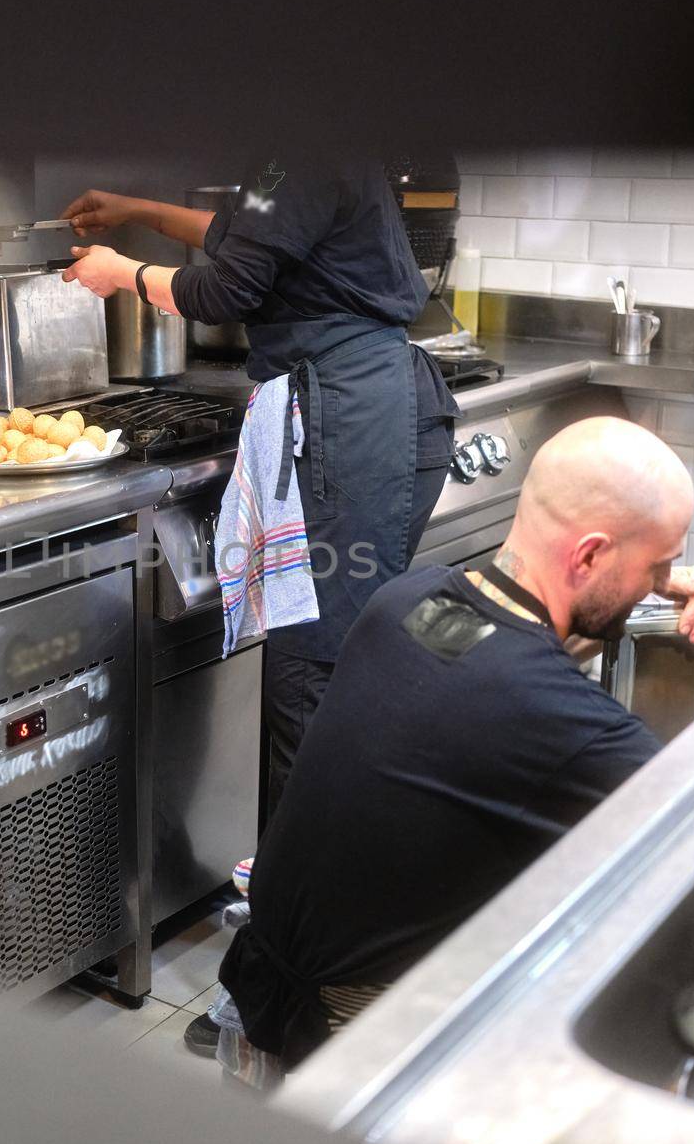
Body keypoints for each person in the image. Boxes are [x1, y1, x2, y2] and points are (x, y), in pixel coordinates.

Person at [213, 416, 694, 1088]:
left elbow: (507, 655)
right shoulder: (564, 727)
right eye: (658, 565)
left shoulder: (409, 604)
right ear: (587, 557)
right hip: (349, 1053)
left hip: (254, 1011)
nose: (663, 580)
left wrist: (649, 580)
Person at [59, 154, 462, 821]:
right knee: (323, 665)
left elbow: (225, 290)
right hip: (370, 398)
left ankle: (304, 908)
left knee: (312, 671)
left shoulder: (297, 147)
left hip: (350, 414)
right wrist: (140, 211)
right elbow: (254, 235)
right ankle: (309, 890)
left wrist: (120, 273)